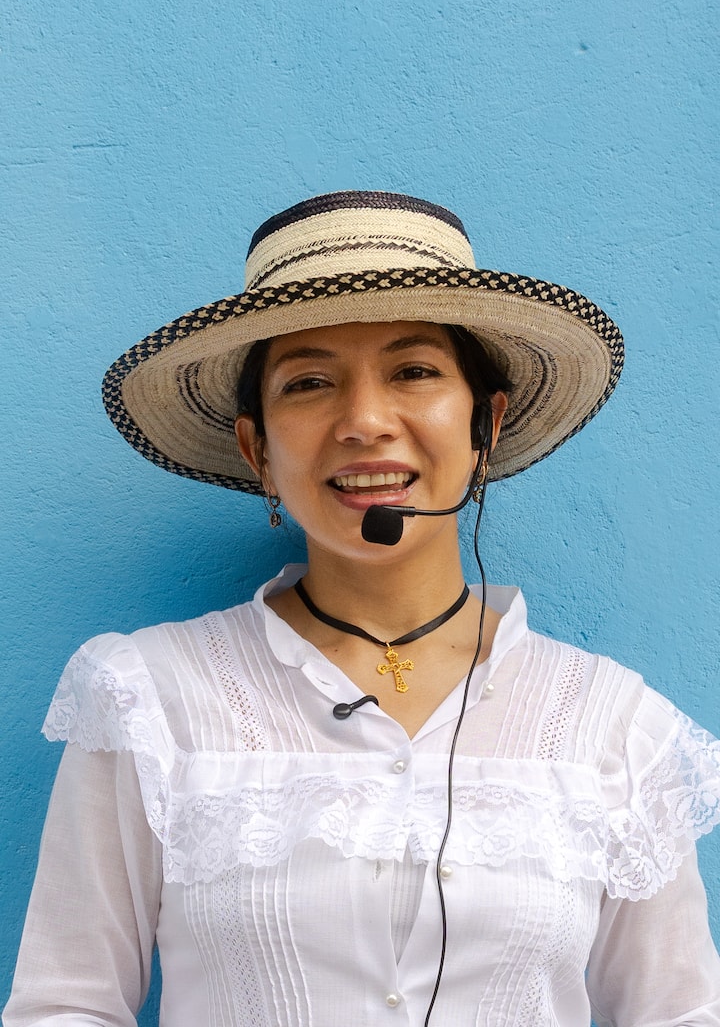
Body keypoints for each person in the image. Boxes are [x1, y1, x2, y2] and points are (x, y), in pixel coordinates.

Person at [5, 190, 720, 1027]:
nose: (365, 422)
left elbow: (680, 1013)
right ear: (257, 449)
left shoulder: (614, 727)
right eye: (310, 382)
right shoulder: (146, 698)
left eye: (414, 371)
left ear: (486, 425)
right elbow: (66, 1006)